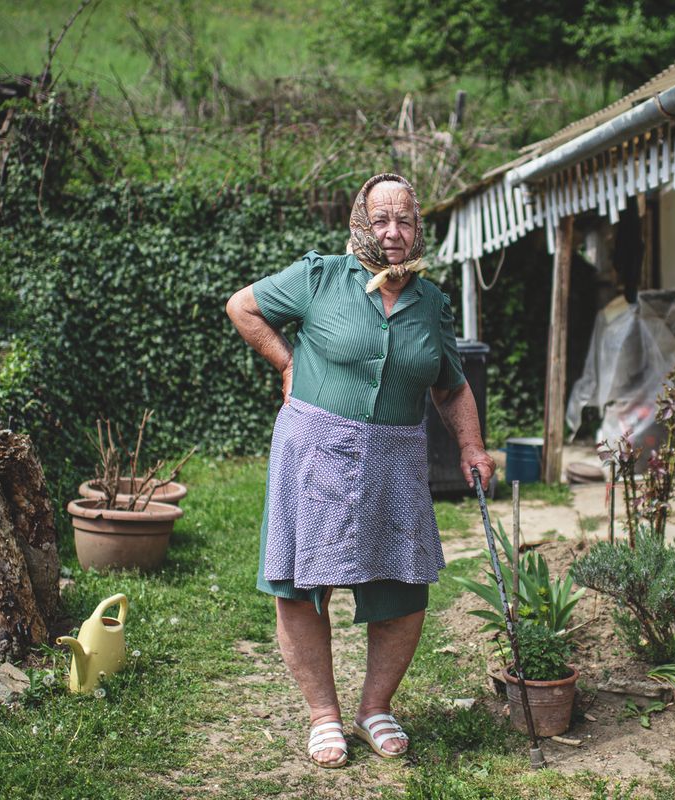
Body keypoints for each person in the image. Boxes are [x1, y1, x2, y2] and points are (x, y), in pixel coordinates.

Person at [226, 173, 495, 769]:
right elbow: (242, 306)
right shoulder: (321, 275)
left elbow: (451, 387)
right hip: (315, 448)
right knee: (301, 586)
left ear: (417, 227)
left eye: (404, 221)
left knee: (403, 585)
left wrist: (472, 446)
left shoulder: (431, 302)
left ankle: (376, 707)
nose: (393, 233)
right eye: (381, 221)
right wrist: (286, 362)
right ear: (360, 223)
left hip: (396, 458)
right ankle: (324, 715)